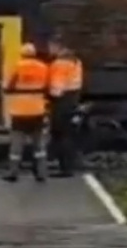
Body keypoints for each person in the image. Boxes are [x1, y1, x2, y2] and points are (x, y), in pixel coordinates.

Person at [2, 43, 50, 182]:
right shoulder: (43, 67)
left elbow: (8, 88)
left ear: (22, 54)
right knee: (39, 145)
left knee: (16, 145)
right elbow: (47, 87)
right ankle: (41, 173)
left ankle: (13, 173)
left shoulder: (17, 67)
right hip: (38, 110)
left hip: (19, 112)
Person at [48, 45, 83, 176]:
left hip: (61, 103)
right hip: (72, 99)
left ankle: (64, 168)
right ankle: (68, 166)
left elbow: (56, 90)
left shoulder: (60, 64)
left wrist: (48, 95)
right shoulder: (76, 62)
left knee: (60, 134)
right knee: (68, 135)